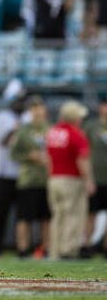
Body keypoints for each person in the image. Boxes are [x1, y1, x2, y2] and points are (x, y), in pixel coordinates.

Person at [46, 100, 96, 260]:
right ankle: (68, 250)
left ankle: (54, 250)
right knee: (73, 215)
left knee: (57, 216)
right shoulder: (76, 134)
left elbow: (47, 157)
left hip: (54, 178)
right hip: (71, 179)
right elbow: (83, 159)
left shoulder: (52, 132)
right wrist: (88, 180)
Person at [9, 95, 51, 258]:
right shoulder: (22, 130)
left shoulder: (50, 129)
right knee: (24, 217)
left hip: (46, 178)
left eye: (39, 107)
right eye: (33, 108)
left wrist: (49, 158)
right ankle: (23, 248)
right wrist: (29, 156)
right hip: (28, 179)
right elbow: (13, 154)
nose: (37, 111)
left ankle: (46, 247)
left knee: (46, 217)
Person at [0, 80, 26, 254]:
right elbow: (2, 142)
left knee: (23, 214)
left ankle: (23, 247)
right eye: (18, 101)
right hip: (3, 173)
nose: (21, 104)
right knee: (1, 213)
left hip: (23, 173)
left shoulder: (28, 117)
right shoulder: (2, 117)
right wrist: (16, 129)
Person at [82, 95, 107, 258]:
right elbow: (83, 153)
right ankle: (87, 245)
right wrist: (87, 178)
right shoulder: (91, 127)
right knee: (90, 213)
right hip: (95, 178)